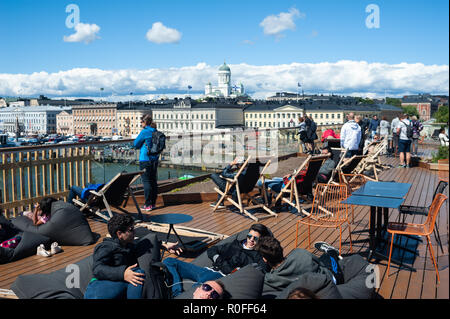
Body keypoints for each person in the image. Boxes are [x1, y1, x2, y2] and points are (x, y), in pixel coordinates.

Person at [84, 214, 181, 299]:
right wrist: (123, 274)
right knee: (137, 272)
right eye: (131, 230)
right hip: (101, 287)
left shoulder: (126, 244)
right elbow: (97, 269)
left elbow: (140, 242)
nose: (134, 232)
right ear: (119, 234)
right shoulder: (106, 247)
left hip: (120, 283)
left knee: (137, 273)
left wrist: (164, 245)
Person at [162, 223, 271, 297]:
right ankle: (177, 291)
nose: (251, 240)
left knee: (199, 289)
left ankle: (179, 296)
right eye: (249, 236)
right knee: (169, 262)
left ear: (260, 240)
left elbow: (260, 270)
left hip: (219, 276)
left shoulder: (256, 256)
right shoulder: (236, 244)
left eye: (255, 238)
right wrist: (218, 258)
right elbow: (213, 250)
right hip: (206, 269)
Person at [133, 114, 159, 212]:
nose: (141, 124)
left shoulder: (145, 132)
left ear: (145, 122)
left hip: (145, 159)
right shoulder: (155, 131)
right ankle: (153, 203)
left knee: (146, 182)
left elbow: (135, 144)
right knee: (153, 181)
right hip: (155, 159)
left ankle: (148, 205)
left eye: (141, 122)